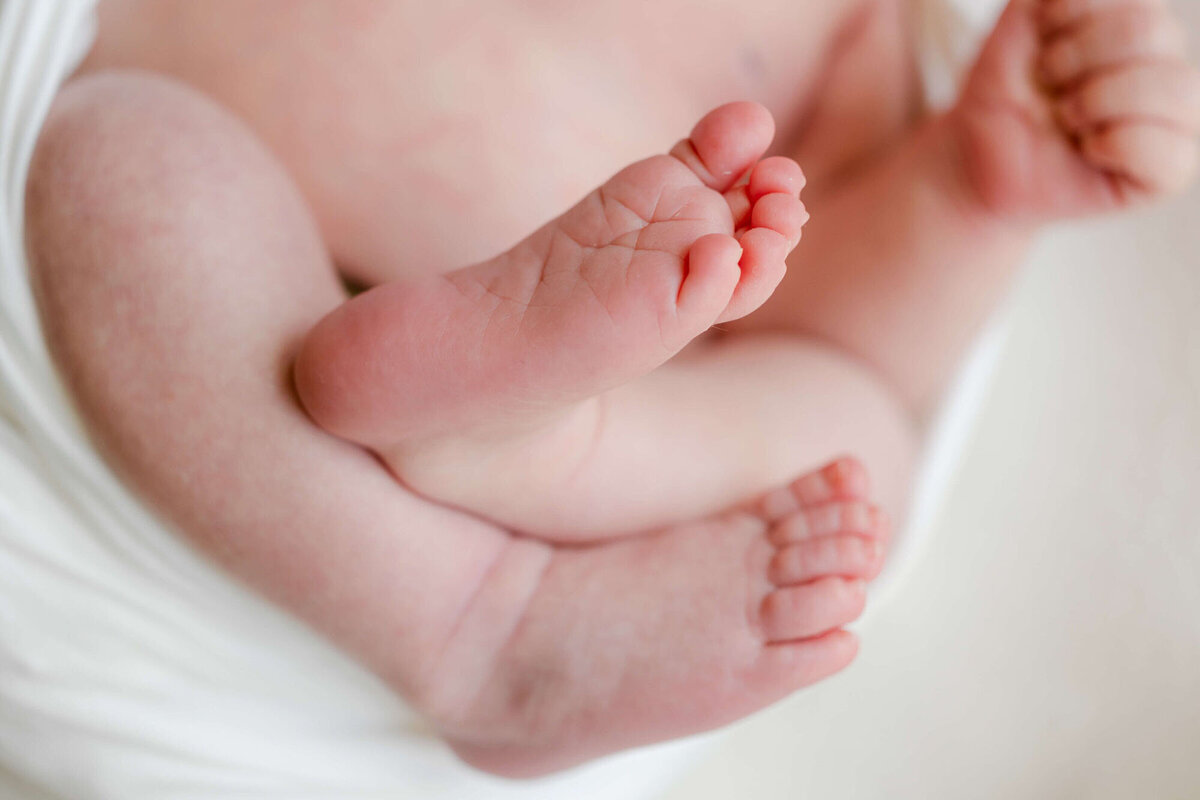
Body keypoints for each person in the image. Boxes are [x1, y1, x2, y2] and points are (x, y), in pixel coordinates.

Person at [23, 0, 1199, 779]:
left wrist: (962, 185)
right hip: (258, 277)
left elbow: (823, 303)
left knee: (856, 443)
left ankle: (528, 454)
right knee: (121, 168)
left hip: (624, 412)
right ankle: (472, 617)